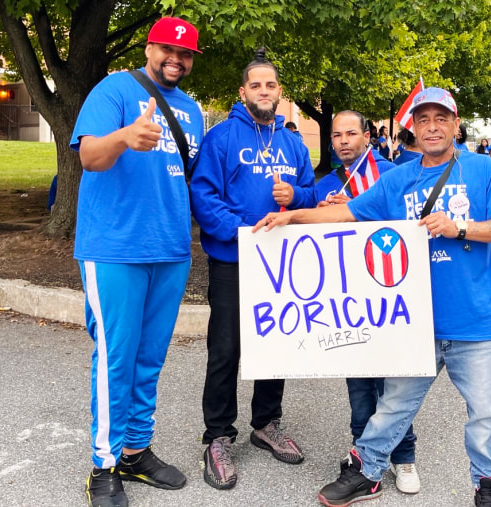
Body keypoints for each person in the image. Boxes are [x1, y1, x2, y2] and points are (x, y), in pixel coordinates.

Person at [253, 87, 491, 507]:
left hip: (475, 321)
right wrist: (293, 216)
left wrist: (462, 227)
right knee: (395, 405)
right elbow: (346, 213)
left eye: (441, 118)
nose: (432, 127)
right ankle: (367, 472)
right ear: (412, 127)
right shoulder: (399, 178)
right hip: (414, 322)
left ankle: (487, 483)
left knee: (485, 413)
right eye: (423, 120)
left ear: (455, 124)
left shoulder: (483, 170)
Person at [70, 16, 204, 507]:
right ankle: (103, 466)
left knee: (149, 359)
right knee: (116, 358)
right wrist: (125, 136)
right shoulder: (114, 90)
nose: (176, 58)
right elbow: (88, 157)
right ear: (150, 47)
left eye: (186, 53)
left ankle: (135, 450)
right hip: (115, 249)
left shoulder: (191, 110)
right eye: (168, 48)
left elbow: (192, 179)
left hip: (170, 249)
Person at [189, 47, 316, 491]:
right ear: (243, 92)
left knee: (276, 344)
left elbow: (309, 195)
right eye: (256, 85)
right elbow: (204, 196)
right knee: (226, 349)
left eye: (271, 85)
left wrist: (296, 198)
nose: (264, 91)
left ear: (280, 92)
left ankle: (266, 424)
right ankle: (218, 435)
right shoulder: (221, 137)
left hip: (282, 263)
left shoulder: (293, 143)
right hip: (233, 259)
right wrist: (243, 234)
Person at [313, 109, 420, 494]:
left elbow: (407, 225)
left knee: (394, 383)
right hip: (349, 298)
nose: (342, 140)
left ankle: (404, 456)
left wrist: (356, 213)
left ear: (367, 136)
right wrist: (325, 213)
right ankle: (362, 452)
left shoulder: (393, 174)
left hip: (389, 293)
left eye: (350, 133)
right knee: (358, 382)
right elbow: (311, 231)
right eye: (336, 135)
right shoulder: (325, 182)